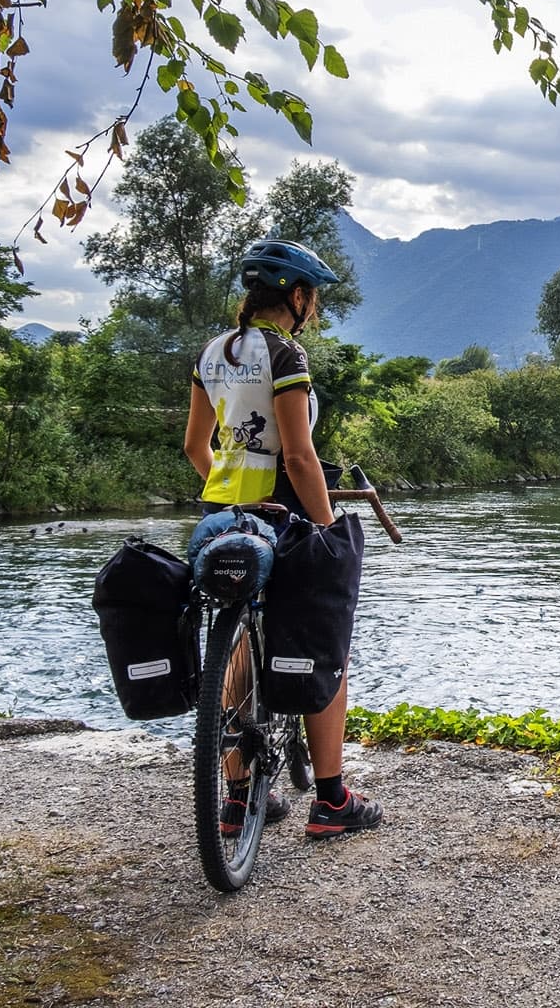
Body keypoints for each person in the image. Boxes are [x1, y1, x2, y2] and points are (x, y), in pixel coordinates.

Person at [183, 239, 382, 838]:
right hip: (284, 515)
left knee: (236, 648)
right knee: (327, 644)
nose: (314, 309)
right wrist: (324, 530)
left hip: (221, 517)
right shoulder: (285, 354)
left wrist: (231, 492)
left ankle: (239, 799)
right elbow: (299, 456)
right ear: (296, 296)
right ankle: (331, 800)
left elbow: (197, 447)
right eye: (313, 298)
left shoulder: (212, 353)